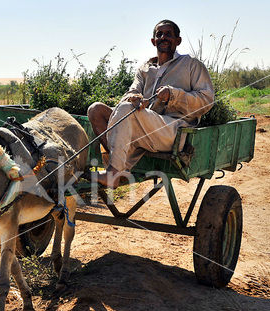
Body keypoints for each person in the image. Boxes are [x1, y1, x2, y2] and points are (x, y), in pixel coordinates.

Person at [88, 19, 215, 188]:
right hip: (143, 125)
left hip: (173, 130)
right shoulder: (145, 69)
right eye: (159, 34)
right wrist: (134, 98)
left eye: (169, 34)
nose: (163, 37)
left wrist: (173, 95)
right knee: (95, 109)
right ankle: (120, 164)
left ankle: (114, 173)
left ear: (178, 40)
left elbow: (207, 100)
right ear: (153, 41)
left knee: (126, 110)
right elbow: (131, 92)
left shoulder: (191, 65)